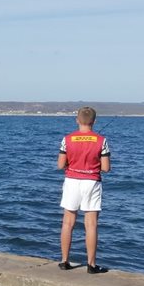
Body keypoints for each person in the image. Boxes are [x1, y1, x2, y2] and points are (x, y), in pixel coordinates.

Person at [58, 106, 111, 274]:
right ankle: (91, 265)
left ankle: (64, 261)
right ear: (94, 121)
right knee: (91, 224)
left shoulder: (67, 139)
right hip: (92, 182)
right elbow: (106, 168)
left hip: (72, 181)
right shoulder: (101, 141)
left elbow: (60, 164)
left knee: (68, 223)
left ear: (77, 120)